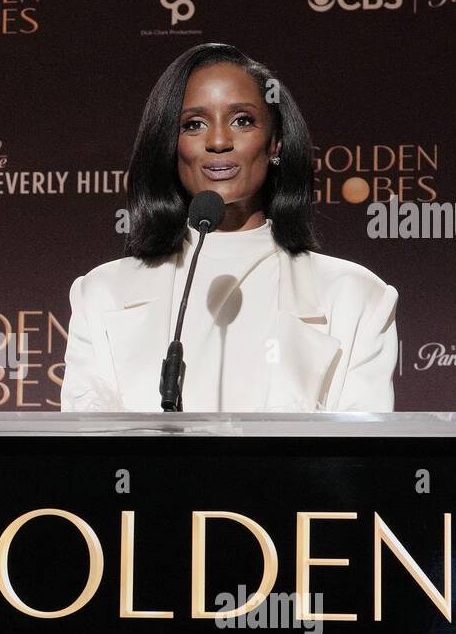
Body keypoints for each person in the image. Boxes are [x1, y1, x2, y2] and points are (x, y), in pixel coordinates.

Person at [60, 42, 399, 413]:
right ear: (170, 147)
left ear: (275, 143)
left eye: (242, 120)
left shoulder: (355, 296)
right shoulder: (101, 293)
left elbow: (356, 461)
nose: (219, 141)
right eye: (194, 124)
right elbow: (91, 454)